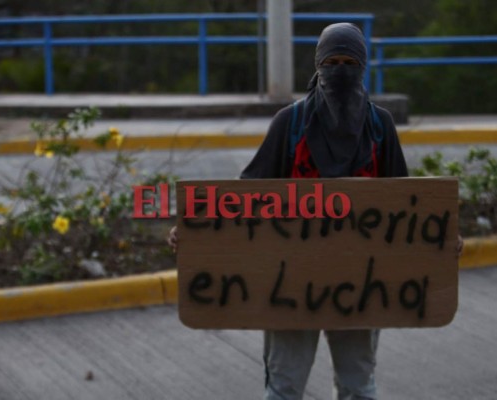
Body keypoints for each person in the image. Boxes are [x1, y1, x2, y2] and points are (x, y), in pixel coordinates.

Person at [167, 22, 463, 400]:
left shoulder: (380, 127)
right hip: (288, 286)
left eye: (349, 62)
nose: (340, 71)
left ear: (363, 67)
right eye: (332, 62)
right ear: (318, 66)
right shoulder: (289, 124)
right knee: (285, 388)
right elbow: (241, 199)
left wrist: (439, 240)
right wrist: (197, 231)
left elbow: (405, 208)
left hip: (362, 286)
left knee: (358, 388)